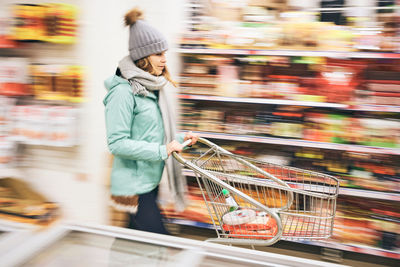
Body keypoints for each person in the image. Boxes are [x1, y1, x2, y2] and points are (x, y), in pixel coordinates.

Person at [103, 7, 198, 235]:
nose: (165, 59)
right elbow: (117, 143)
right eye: (158, 54)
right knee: (161, 242)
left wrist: (180, 139)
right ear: (143, 57)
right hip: (133, 187)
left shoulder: (152, 87)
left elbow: (152, 134)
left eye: (164, 53)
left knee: (134, 242)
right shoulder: (123, 92)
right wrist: (162, 150)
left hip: (150, 181)